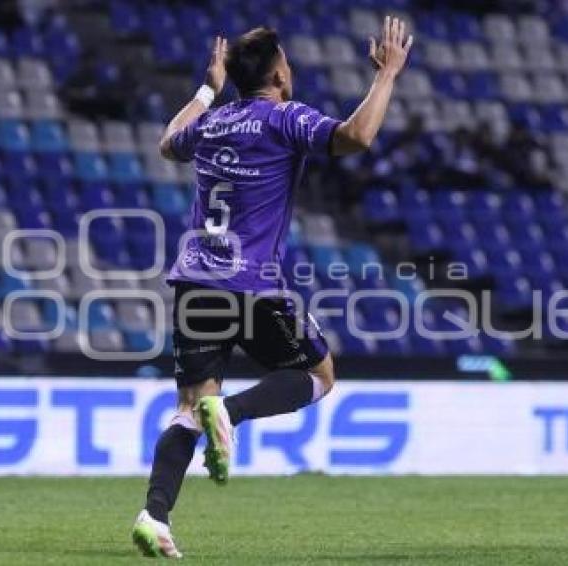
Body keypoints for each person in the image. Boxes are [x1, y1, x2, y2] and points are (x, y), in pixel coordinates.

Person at [132, 17, 413, 558]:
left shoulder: (212, 123)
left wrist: (207, 89)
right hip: (253, 284)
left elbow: (169, 142)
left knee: (190, 406)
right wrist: (387, 75)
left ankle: (154, 515)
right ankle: (231, 414)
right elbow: (356, 136)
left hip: (196, 282)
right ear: (280, 73)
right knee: (318, 375)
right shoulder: (284, 118)